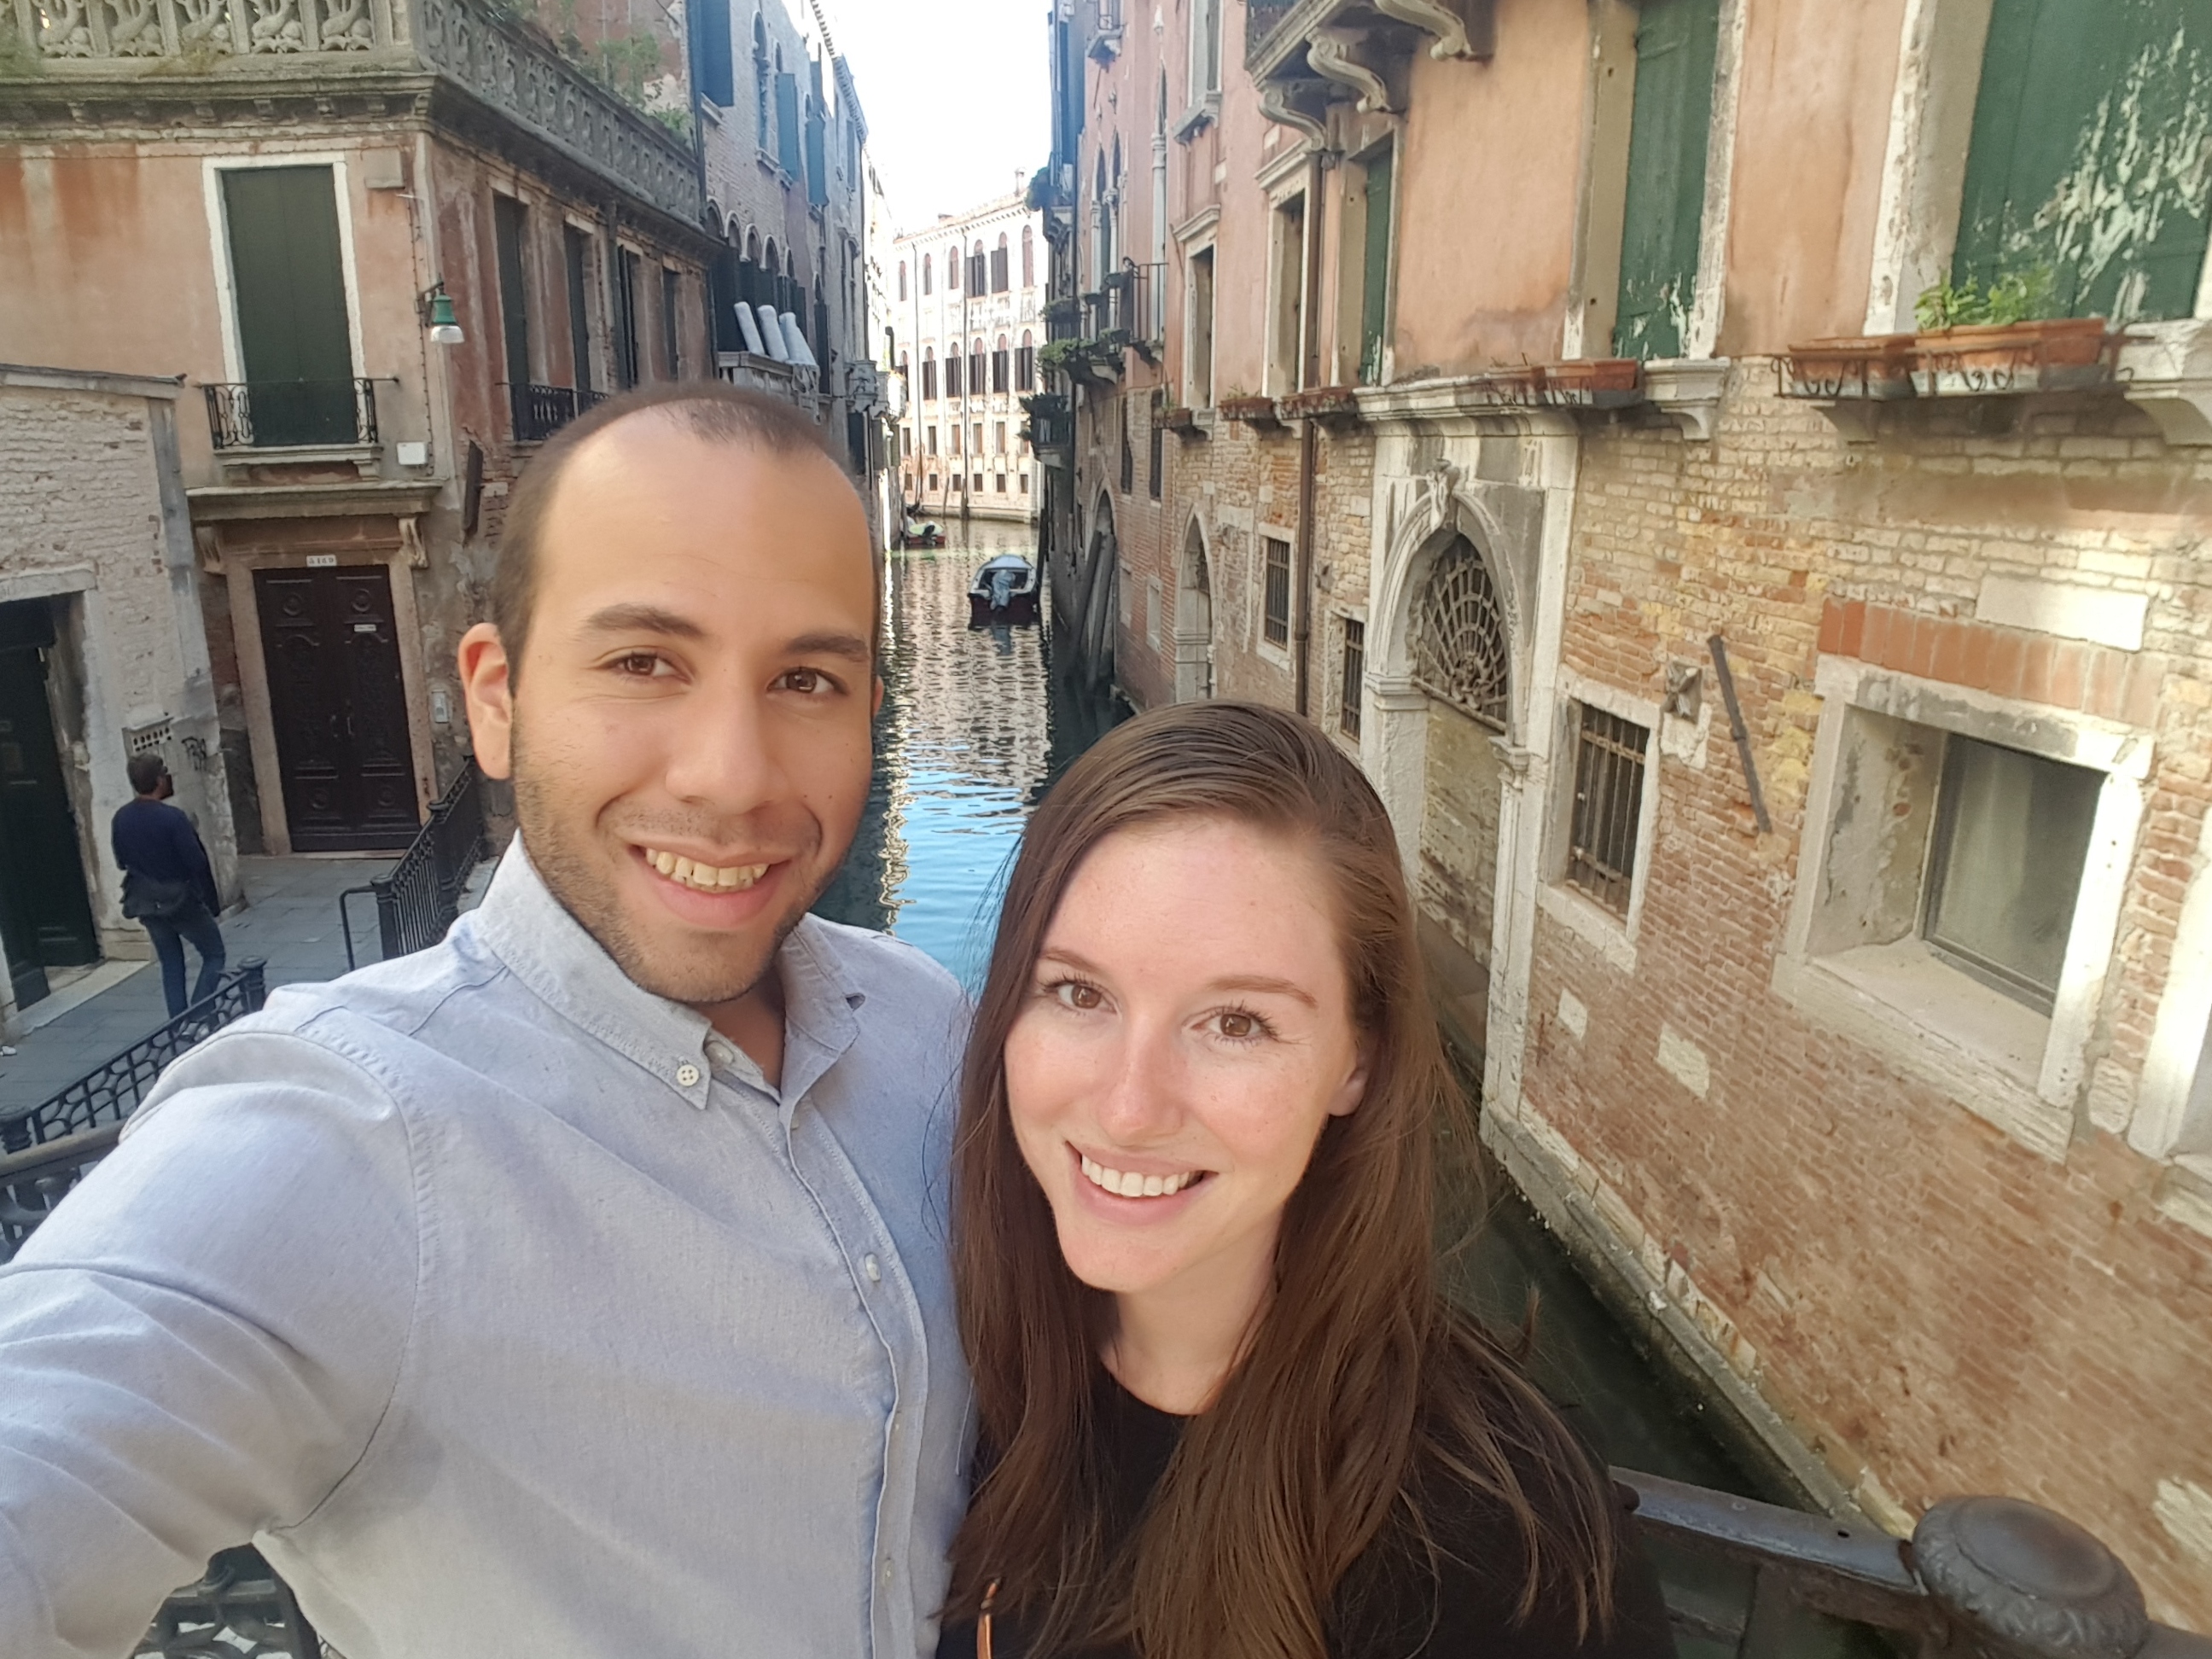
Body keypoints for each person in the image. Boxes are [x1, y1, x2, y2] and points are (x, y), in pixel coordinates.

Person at [0, 385, 971, 1659]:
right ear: (496, 698)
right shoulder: (344, 1137)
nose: (733, 774)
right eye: (643, 662)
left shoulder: (927, 1018)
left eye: (807, 678)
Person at [937, 703, 1675, 1659]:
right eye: (1079, 994)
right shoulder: (956, 1375)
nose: (1128, 1108)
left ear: (1356, 1061)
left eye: (1237, 1022)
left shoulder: (1498, 1551)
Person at [112, 752, 226, 1017]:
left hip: (144, 899)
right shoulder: (173, 818)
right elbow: (195, 861)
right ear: (160, 780)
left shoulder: (121, 817)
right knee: (214, 954)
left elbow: (121, 860)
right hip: (180, 898)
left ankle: (178, 1023)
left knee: (171, 962)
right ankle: (199, 1014)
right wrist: (208, 898)